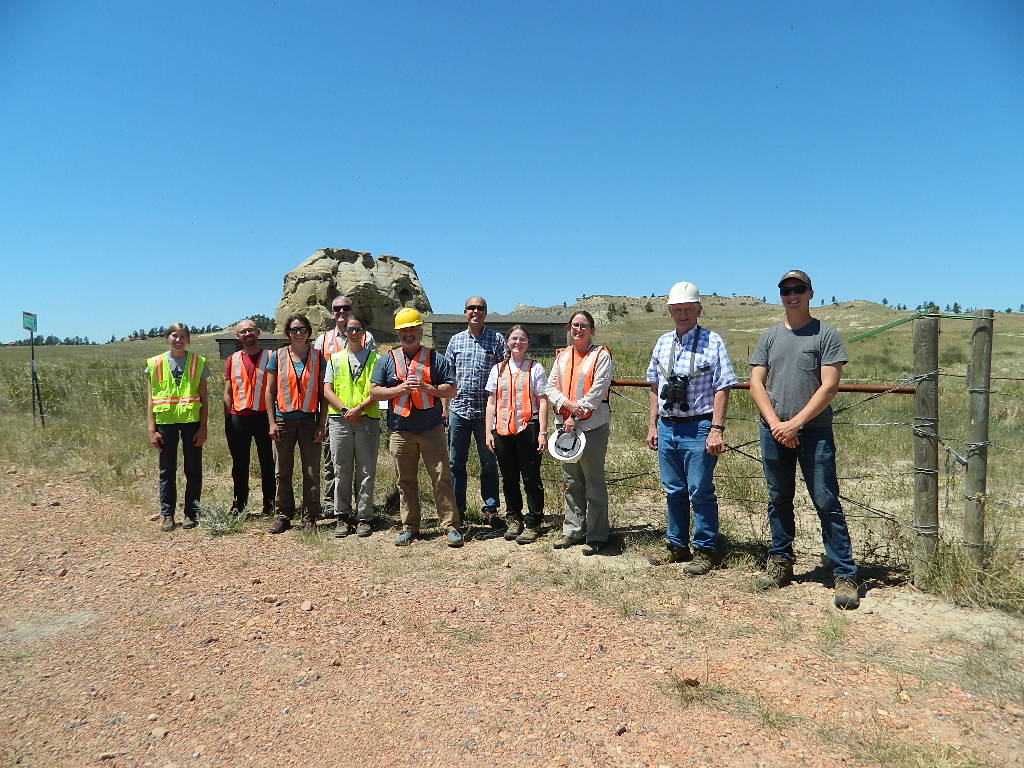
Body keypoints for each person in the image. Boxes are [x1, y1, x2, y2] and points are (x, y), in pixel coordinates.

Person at [749, 269, 860, 610]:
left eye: (798, 289)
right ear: (780, 295)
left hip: (813, 432)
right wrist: (777, 424)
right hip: (774, 429)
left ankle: (844, 572)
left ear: (810, 293)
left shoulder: (825, 334)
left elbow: (829, 386)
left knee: (825, 499)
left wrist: (795, 424)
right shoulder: (769, 336)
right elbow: (756, 383)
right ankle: (781, 561)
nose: (792, 294)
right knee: (778, 498)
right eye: (786, 290)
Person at [645, 282, 737, 575]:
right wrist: (653, 425)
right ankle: (677, 545)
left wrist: (716, 428)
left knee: (700, 491)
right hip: (668, 425)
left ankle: (706, 549)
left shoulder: (713, 341)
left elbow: (723, 387)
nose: (682, 314)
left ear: (698, 309)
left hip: (699, 426)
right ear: (670, 311)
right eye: (677, 310)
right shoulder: (662, 342)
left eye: (687, 309)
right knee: (673, 489)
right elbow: (653, 385)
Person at [369, 307, 463, 547]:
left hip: (431, 429)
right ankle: (410, 526)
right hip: (400, 431)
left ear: (420, 330)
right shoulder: (386, 360)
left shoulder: (436, 359)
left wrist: (426, 388)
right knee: (405, 480)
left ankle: (450, 526)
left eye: (412, 329)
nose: (407, 334)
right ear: (398, 333)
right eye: (403, 330)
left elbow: (451, 389)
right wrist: (398, 390)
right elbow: (374, 391)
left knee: (441, 477)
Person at [544, 311, 614, 555]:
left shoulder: (601, 355)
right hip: (564, 426)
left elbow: (597, 390)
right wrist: (567, 405)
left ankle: (597, 535)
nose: (578, 329)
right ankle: (573, 530)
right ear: (569, 328)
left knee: (593, 481)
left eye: (584, 326)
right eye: (575, 325)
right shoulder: (562, 355)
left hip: (591, 426)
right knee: (571, 481)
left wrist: (575, 414)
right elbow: (550, 387)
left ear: (592, 330)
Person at [444, 296, 507, 528]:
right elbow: (447, 378)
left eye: (480, 308)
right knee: (455, 463)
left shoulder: (497, 340)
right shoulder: (455, 341)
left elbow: (504, 376)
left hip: (485, 413)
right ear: (465, 312)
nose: (476, 311)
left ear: (485, 312)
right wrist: (444, 408)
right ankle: (456, 510)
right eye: (471, 308)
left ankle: (490, 509)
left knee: (489, 463)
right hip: (459, 411)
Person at [484, 325, 549, 544]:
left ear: (528, 343)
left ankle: (534, 521)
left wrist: (542, 431)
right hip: (502, 429)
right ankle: (514, 518)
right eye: (514, 339)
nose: (517, 343)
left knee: (531, 476)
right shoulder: (498, 369)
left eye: (522, 339)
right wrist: (488, 432)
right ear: (507, 342)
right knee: (509, 477)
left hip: (527, 427)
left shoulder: (535, 368)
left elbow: (542, 400)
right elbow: (491, 401)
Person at [315, 295, 377, 517]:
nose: (341, 311)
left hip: (364, 413)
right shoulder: (323, 341)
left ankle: (362, 512)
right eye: (337, 308)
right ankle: (334, 507)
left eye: (346, 308)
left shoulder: (368, 342)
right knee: (334, 463)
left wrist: (358, 409)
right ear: (332, 312)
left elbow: (373, 378)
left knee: (363, 467)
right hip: (333, 411)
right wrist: (333, 414)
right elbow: (323, 383)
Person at [265, 314, 326, 534]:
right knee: (282, 470)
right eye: (293, 330)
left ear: (309, 332)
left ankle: (310, 516)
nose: (298, 333)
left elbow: (323, 394)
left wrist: (321, 423)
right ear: (287, 333)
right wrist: (272, 422)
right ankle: (283, 515)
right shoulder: (277, 356)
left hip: (309, 421)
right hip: (283, 421)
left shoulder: (319, 358)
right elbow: (270, 391)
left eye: (302, 329)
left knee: (311, 470)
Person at [145, 323, 209, 532]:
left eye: (183, 336)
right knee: (167, 470)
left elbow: (205, 399)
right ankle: (167, 515)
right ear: (167, 338)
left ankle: (191, 513)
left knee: (193, 469)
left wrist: (203, 428)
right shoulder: (154, 364)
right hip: (165, 423)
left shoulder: (198, 363)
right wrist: (151, 429)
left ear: (188, 339)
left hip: (191, 422)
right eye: (175, 335)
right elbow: (150, 400)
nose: (179, 339)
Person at [223, 319, 275, 517]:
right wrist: (228, 418)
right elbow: (228, 391)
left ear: (258, 332)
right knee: (239, 464)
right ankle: (239, 505)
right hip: (239, 418)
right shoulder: (233, 359)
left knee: (267, 463)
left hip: (264, 417)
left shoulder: (271, 357)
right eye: (243, 331)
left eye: (251, 330)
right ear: (238, 336)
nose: (247, 334)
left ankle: (270, 505)